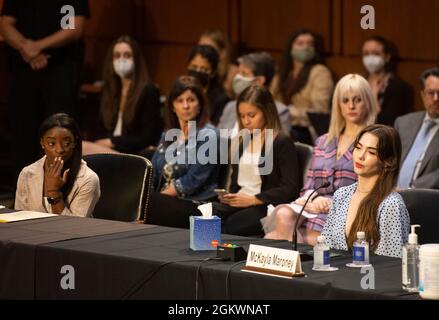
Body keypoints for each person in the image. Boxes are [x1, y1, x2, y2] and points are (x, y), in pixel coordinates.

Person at [264, 74, 378, 244]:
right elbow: (309, 185)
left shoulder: (373, 141)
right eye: (345, 100)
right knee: (283, 214)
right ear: (337, 105)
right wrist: (313, 199)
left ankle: (293, 259)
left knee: (274, 238)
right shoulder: (324, 141)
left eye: (357, 100)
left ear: (368, 102)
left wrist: (330, 203)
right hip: (313, 207)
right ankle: (295, 255)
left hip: (348, 211)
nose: (351, 106)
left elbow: (372, 189)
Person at [1, 0, 89, 175]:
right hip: (22, 70)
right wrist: (26, 48)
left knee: (59, 133)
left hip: (59, 70)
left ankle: (59, 190)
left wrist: (38, 47)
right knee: (22, 136)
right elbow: (5, 23)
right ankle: (23, 193)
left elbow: (73, 27)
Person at [213, 85, 301, 236]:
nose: (246, 121)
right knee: (206, 214)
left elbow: (290, 188)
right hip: (240, 203)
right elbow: (236, 184)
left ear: (266, 112)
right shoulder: (242, 141)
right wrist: (229, 197)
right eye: (242, 116)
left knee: (231, 225)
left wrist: (254, 199)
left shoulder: (281, 141)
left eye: (251, 115)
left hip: (264, 205)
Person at [322, 124, 410, 258]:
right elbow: (325, 246)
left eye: (371, 152)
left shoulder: (391, 204)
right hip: (333, 275)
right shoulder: (341, 195)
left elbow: (390, 264)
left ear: (388, 161)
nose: (360, 156)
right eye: (358, 148)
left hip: (370, 278)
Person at [145, 76, 220, 228]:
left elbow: (192, 181)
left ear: (200, 105)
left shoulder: (210, 135)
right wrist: (147, 195)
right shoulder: (168, 134)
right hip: (163, 201)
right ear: (172, 106)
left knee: (146, 204)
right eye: (180, 100)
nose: (186, 106)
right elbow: (152, 171)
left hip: (195, 204)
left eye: (191, 100)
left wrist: (153, 199)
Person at [82, 35, 162, 155]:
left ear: (136, 60)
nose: (122, 60)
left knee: (83, 148)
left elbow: (147, 138)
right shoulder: (108, 90)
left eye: (127, 55)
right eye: (117, 56)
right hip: (109, 150)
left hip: (133, 153)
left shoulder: (149, 91)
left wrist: (112, 142)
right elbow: (100, 130)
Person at [15, 113, 100, 217]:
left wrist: (54, 192)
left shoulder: (88, 179)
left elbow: (74, 227)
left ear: (74, 142)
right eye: (51, 143)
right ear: (42, 143)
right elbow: (18, 218)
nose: (59, 150)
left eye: (66, 144)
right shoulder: (27, 174)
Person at [270, 29, 334, 144]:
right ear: (291, 48)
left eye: (310, 44)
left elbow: (319, 112)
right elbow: (270, 101)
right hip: (280, 127)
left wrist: (287, 112)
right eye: (300, 43)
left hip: (306, 133)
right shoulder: (283, 73)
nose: (305, 47)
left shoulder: (320, 72)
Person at [217, 52, 291, 136]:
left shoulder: (280, 111)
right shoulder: (230, 107)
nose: (237, 77)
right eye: (238, 73)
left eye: (244, 73)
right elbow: (218, 140)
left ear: (259, 81)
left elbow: (280, 146)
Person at [396, 67, 439, 189]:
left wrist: (411, 189)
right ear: (422, 95)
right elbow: (389, 160)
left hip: (426, 200)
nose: (436, 98)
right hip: (391, 198)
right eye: (431, 93)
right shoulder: (403, 123)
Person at [362, 35, 413, 125]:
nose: (370, 58)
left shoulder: (398, 87)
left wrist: (374, 100)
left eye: (376, 53)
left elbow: (390, 123)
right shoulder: (359, 82)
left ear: (387, 57)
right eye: (366, 54)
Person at [187, 45, 230, 126]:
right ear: (188, 66)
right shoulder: (178, 91)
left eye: (204, 69)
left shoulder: (221, 100)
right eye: (194, 67)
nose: (197, 72)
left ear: (213, 72)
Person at [198, 29, 238, 99]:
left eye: (208, 48)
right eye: (200, 47)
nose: (202, 52)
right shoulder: (199, 70)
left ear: (223, 53)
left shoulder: (235, 73)